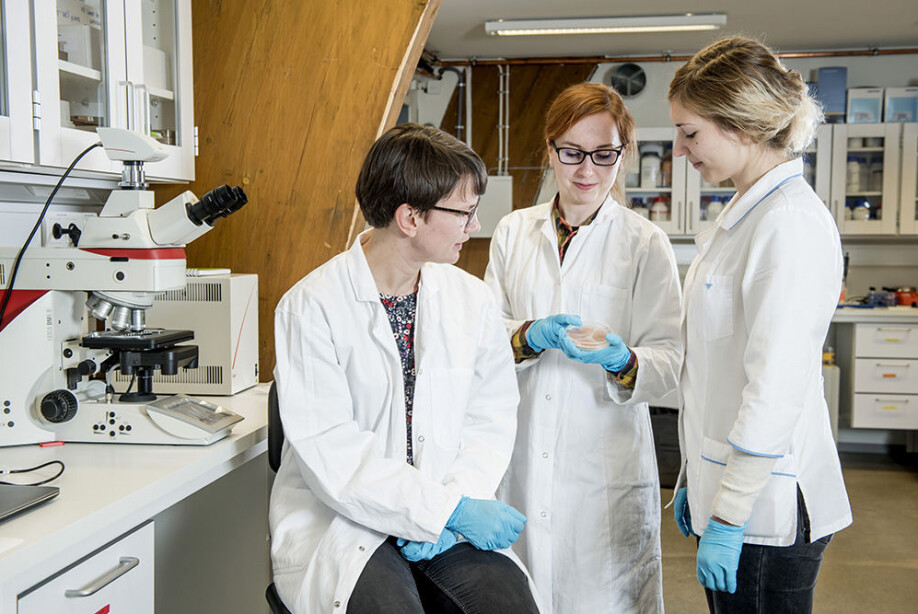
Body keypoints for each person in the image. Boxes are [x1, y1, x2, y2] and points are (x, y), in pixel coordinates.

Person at [270, 123, 541, 613]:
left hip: (448, 509)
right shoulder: (311, 306)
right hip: (347, 520)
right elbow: (334, 452)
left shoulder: (470, 300)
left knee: (510, 604)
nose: (474, 226)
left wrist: (454, 505)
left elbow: (490, 419)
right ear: (410, 218)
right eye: (464, 212)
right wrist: (438, 510)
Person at [668, 36, 853, 613]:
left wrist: (726, 514)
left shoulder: (789, 224)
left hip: (762, 511)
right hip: (733, 492)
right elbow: (716, 371)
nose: (679, 149)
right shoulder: (744, 216)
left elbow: (775, 387)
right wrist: (690, 480)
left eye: (691, 132)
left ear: (742, 126)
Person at [484, 82, 682, 613]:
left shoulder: (645, 243)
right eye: (571, 153)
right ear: (550, 149)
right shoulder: (512, 232)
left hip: (604, 463)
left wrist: (624, 361)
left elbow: (671, 355)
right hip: (521, 454)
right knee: (519, 594)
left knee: (601, 596)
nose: (586, 171)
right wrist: (526, 336)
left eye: (603, 155)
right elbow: (480, 338)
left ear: (623, 155)